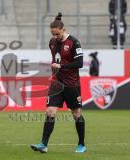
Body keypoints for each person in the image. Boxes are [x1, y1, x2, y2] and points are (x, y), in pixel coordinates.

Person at [30, 12, 86, 153]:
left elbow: (79, 63)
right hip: (56, 83)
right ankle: (43, 144)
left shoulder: (74, 42)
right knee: (50, 112)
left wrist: (61, 66)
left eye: (57, 34)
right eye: (52, 34)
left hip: (71, 84)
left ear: (63, 29)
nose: (55, 37)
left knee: (76, 114)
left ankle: (81, 144)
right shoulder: (52, 42)